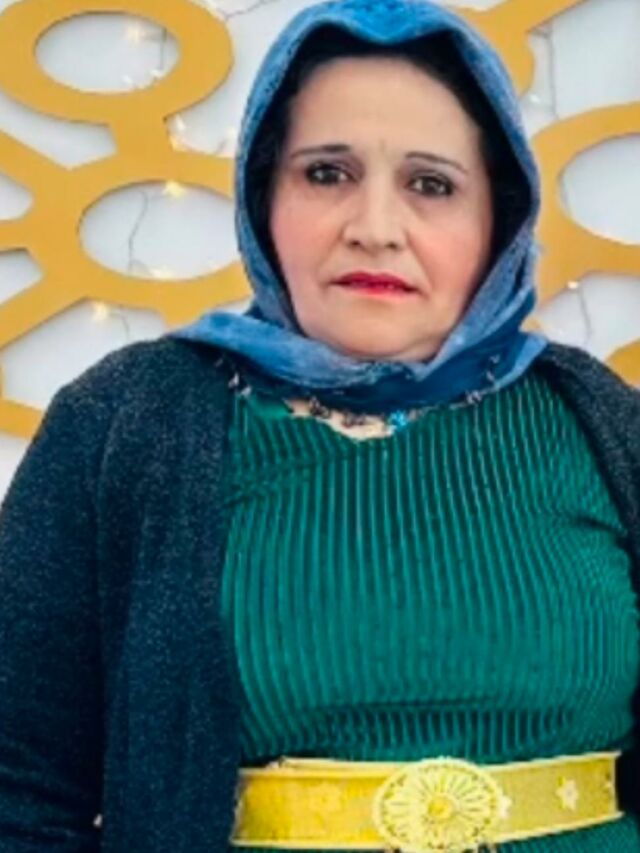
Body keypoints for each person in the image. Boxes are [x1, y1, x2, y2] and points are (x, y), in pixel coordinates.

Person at [0, 0, 639, 850]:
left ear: (499, 219)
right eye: (327, 173)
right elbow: (19, 789)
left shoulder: (600, 421)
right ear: (264, 197)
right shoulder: (124, 422)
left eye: (432, 184)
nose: (375, 229)